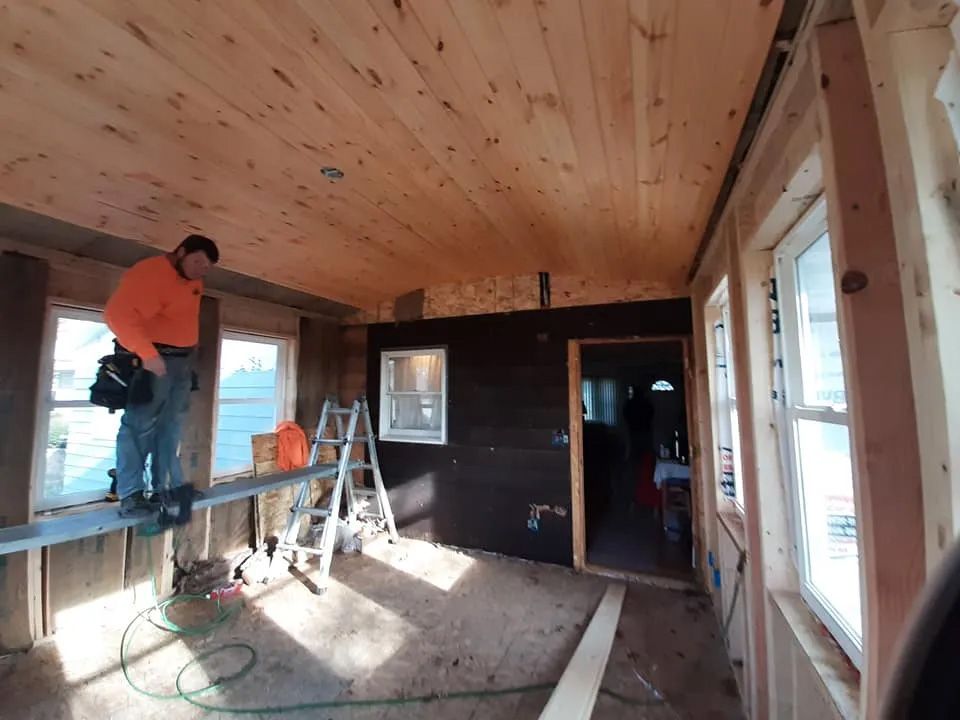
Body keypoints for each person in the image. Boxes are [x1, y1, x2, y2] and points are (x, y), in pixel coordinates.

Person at [104, 234, 219, 517]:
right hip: (155, 360)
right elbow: (117, 315)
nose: (200, 270)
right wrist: (148, 355)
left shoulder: (192, 280)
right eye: (197, 262)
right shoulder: (150, 273)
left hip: (182, 362)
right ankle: (131, 495)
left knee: (171, 426)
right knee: (139, 427)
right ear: (180, 252)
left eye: (206, 267)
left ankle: (167, 489)